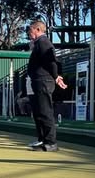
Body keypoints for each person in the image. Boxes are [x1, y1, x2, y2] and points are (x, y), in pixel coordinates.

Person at [27, 20, 67, 151]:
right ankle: (43, 140)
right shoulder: (37, 44)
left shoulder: (44, 42)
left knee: (45, 112)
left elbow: (52, 61)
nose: (29, 33)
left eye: (30, 30)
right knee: (39, 112)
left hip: (44, 81)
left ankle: (51, 142)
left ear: (38, 30)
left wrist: (56, 77)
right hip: (38, 81)